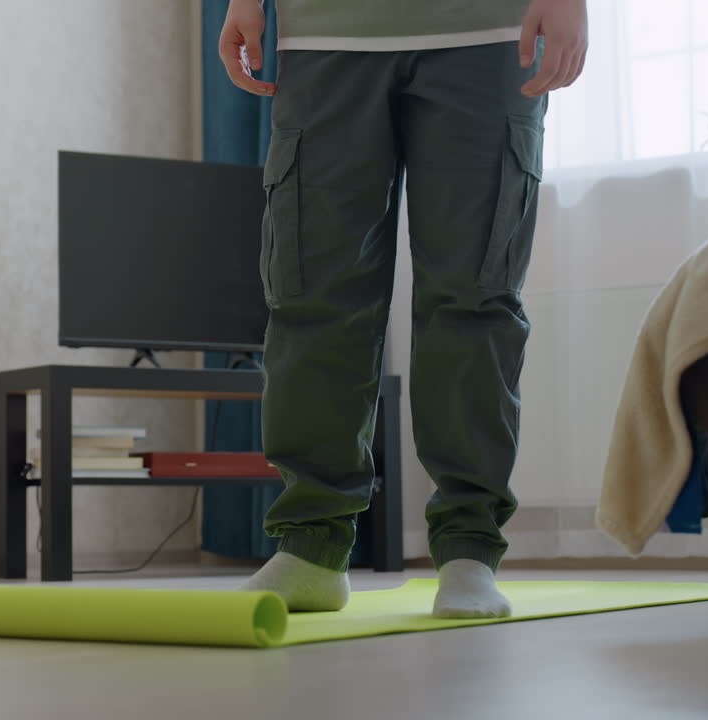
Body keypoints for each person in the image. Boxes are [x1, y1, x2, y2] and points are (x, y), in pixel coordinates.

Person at [221, 0, 588, 618]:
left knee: (474, 295)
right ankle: (312, 545)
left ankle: (469, 548)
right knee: (313, 296)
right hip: (322, 36)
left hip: (489, 31)